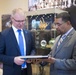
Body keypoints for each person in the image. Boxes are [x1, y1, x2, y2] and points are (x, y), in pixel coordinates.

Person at [0, 8, 35, 75]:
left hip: (27, 71)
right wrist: (13, 60)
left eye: (23, 21)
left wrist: (31, 57)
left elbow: (33, 49)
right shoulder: (3, 35)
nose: (21, 24)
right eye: (18, 21)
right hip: (11, 72)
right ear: (12, 19)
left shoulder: (28, 33)